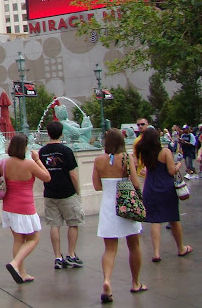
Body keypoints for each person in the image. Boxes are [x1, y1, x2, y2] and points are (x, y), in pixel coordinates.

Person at [92, 128, 146, 302]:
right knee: (134, 246)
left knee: (109, 249)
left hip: (108, 206)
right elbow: (135, 183)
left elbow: (97, 186)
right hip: (126, 204)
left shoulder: (99, 160)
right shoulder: (126, 158)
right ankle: (135, 282)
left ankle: (107, 281)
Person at [0, 132, 51, 284]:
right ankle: (15, 263)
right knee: (33, 239)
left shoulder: (4, 163)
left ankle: (22, 272)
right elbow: (47, 177)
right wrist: (38, 160)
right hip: (25, 207)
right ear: (24, 148)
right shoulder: (29, 164)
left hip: (8, 207)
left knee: (18, 240)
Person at [133, 126, 192, 262]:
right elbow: (171, 171)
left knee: (155, 221)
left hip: (150, 189)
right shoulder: (165, 152)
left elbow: (146, 169)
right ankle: (181, 248)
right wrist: (178, 165)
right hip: (166, 189)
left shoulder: (144, 153)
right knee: (173, 219)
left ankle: (156, 253)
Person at [39, 121, 84, 269]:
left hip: (50, 192)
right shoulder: (66, 151)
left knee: (54, 225)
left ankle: (58, 257)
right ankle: (71, 254)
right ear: (62, 133)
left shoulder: (42, 152)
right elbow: (73, 174)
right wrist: (78, 191)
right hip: (67, 192)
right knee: (73, 223)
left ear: (48, 133)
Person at [131, 117, 151, 187]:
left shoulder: (153, 138)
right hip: (141, 174)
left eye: (142, 124)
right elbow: (135, 158)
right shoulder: (136, 141)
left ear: (147, 125)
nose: (140, 126)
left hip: (153, 173)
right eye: (138, 125)